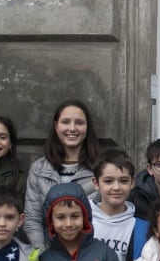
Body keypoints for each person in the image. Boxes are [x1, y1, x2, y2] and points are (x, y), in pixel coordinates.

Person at [24, 100, 103, 250]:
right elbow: (32, 219)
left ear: (87, 127)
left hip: (88, 255)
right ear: (56, 126)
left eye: (79, 122)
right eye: (65, 122)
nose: (72, 128)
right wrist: (43, 256)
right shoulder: (39, 169)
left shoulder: (100, 169)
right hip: (48, 254)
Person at [89, 149, 150, 261]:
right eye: (108, 181)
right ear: (96, 183)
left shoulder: (142, 229)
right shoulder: (84, 223)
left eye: (123, 181)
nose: (116, 187)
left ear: (132, 182)